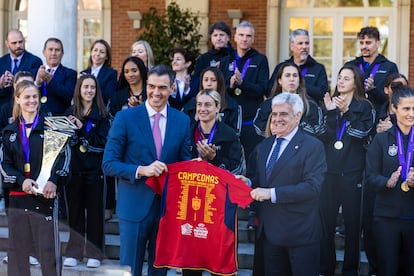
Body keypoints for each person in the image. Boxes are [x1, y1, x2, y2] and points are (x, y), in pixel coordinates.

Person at [102, 64, 192, 276]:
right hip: (133, 208)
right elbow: (108, 163)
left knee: (159, 271)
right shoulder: (126, 118)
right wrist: (142, 170)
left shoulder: (182, 121)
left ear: (172, 88)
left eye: (162, 88)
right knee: (130, 269)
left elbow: (185, 165)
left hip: (167, 210)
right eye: (151, 86)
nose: (156, 93)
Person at [237, 92, 327, 275]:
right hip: (269, 234)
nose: (277, 119)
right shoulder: (266, 145)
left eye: (284, 114)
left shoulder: (313, 146)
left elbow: (312, 187)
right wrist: (248, 182)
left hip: (300, 235)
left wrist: (271, 193)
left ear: (298, 115)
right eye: (275, 114)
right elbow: (264, 180)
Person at [1, 80, 69, 276]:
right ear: (18, 99)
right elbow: (4, 165)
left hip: (45, 196)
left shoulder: (51, 127)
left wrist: (53, 180)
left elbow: (63, 157)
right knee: (18, 252)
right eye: (27, 97)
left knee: (48, 253)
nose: (31, 101)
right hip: (18, 196)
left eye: (34, 97)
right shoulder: (10, 131)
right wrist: (22, 180)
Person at [319, 64, 375, 276]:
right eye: (339, 77)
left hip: (352, 173)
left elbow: (361, 134)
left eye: (346, 78)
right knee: (327, 224)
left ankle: (350, 270)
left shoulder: (365, 107)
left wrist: (347, 112)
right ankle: (326, 268)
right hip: (329, 173)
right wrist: (333, 113)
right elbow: (324, 136)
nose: (340, 81)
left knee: (353, 227)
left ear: (356, 83)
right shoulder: (329, 104)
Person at [363, 73, 408, 276]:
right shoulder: (381, 137)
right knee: (387, 268)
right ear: (395, 109)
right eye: (406, 108)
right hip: (386, 214)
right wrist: (387, 182)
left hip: (412, 215)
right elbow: (371, 175)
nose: (411, 113)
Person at [62, 74, 110, 268]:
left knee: (95, 214)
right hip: (74, 172)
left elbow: (101, 145)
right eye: (85, 87)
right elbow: (63, 142)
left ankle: (94, 254)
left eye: (92, 87)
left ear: (96, 91)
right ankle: (74, 252)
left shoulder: (104, 115)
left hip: (95, 173)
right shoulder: (69, 112)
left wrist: (82, 129)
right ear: (79, 90)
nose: (89, 90)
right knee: (74, 213)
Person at [220, 21, 269, 162]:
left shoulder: (260, 60)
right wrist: (229, 86)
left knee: (251, 159)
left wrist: (243, 84)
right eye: (241, 35)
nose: (244, 39)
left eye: (248, 36)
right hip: (229, 121)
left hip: (250, 122)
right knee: (228, 160)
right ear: (235, 37)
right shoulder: (226, 60)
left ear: (253, 39)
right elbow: (219, 90)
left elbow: (263, 89)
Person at [254, 63, 325, 138]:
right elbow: (258, 127)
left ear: (299, 81)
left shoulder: (311, 105)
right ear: (280, 81)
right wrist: (275, 129)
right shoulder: (268, 104)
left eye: (295, 76)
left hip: (303, 147)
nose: (292, 79)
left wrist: (293, 127)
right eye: (287, 75)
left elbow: (318, 130)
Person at [345, 26, 399, 113]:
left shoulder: (389, 67)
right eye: (361, 43)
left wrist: (373, 90)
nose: (364, 46)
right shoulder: (351, 65)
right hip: (354, 116)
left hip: (379, 117)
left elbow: (394, 97)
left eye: (368, 43)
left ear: (378, 44)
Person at [190, 89, 244, 174]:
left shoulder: (230, 135)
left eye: (208, 105)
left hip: (218, 185)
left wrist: (214, 158)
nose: (202, 109)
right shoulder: (188, 133)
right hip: (190, 182)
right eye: (199, 104)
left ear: (217, 107)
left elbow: (236, 168)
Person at [268, 29, 328, 103]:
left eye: (307, 43)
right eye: (300, 43)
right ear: (292, 46)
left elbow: (323, 94)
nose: (304, 46)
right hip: (284, 109)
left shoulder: (318, 68)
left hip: (309, 111)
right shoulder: (281, 67)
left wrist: (299, 84)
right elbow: (270, 90)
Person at [182, 67, 241, 135]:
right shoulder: (191, 104)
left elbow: (235, 133)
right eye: (206, 80)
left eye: (213, 80)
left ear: (219, 83)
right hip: (196, 143)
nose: (209, 83)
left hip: (222, 143)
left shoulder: (231, 104)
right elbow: (183, 129)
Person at [34, 37, 77, 115]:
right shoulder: (35, 72)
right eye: (50, 49)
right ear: (44, 52)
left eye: (57, 50)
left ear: (62, 54)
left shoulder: (70, 74)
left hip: (58, 119)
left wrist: (51, 81)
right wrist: (37, 84)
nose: (53, 53)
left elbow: (68, 96)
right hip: (36, 118)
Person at [0, 29, 42, 108]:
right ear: (7, 43)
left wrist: (16, 81)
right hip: (3, 108)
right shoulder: (1, 62)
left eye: (21, 42)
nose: (18, 45)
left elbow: (34, 86)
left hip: (25, 107)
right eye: (14, 43)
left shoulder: (35, 61)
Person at [81, 39, 117, 104]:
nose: (97, 54)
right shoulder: (83, 73)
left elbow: (109, 95)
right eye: (95, 50)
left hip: (101, 109)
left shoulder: (111, 73)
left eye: (102, 52)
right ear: (91, 53)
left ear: (106, 57)